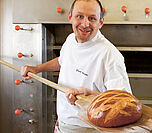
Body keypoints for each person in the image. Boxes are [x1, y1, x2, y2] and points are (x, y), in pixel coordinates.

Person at [20, 0, 132, 132]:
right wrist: (37, 69)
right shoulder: (70, 39)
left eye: (92, 18)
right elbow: (63, 61)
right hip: (63, 123)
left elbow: (123, 102)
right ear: (70, 17)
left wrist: (90, 95)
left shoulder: (110, 54)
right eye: (80, 16)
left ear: (100, 22)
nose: (85, 24)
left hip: (89, 128)